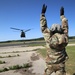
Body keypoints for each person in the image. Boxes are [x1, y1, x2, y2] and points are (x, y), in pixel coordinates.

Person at [40, 4, 69, 75]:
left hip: (50, 64)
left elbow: (43, 28)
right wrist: (62, 16)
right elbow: (65, 27)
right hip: (61, 64)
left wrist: (42, 14)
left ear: (51, 30)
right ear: (61, 30)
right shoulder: (65, 37)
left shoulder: (49, 38)